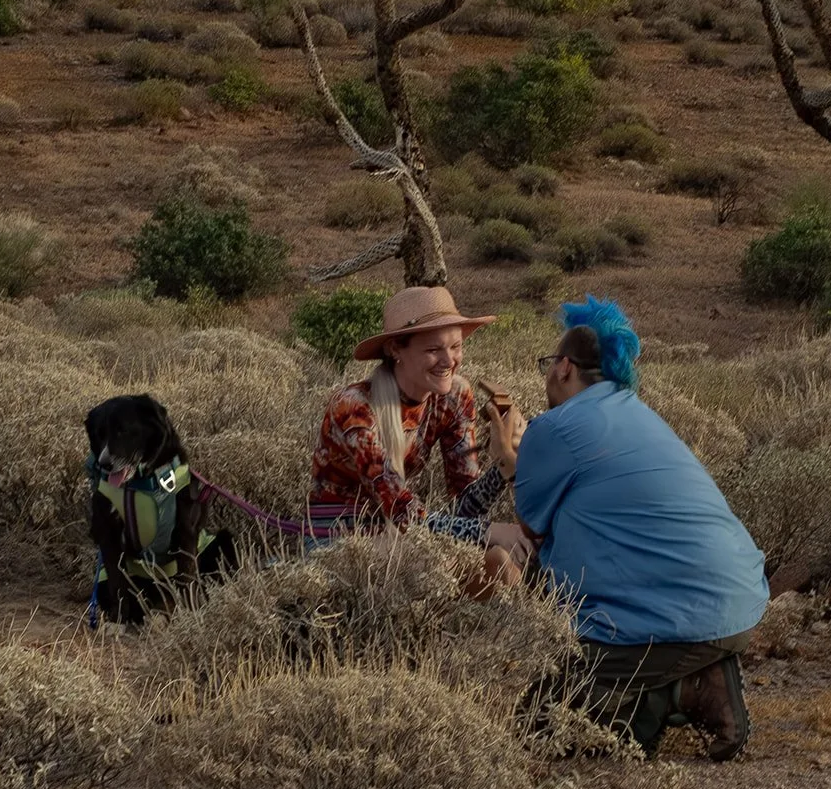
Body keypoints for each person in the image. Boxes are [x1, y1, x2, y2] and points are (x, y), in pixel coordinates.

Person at [489, 295, 769, 761]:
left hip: (678, 620)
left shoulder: (554, 427)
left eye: (547, 364)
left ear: (562, 367)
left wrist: (507, 458)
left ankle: (683, 692)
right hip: (738, 603)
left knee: (539, 723)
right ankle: (699, 673)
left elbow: (531, 531)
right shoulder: (637, 413)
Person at [308, 285, 530, 595]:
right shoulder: (354, 406)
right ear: (396, 349)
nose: (449, 360)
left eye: (456, 346)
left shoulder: (454, 396)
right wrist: (488, 532)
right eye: (433, 349)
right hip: (341, 541)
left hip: (402, 535)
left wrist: (505, 461)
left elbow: (465, 505)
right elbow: (402, 510)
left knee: (499, 563)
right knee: (487, 556)